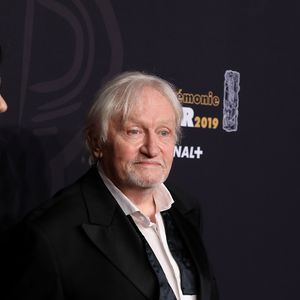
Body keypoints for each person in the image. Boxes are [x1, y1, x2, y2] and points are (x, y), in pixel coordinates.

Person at [2, 71, 218, 300]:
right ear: (97, 142)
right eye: (134, 131)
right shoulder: (51, 235)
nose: (152, 149)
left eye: (163, 132)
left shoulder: (186, 210)